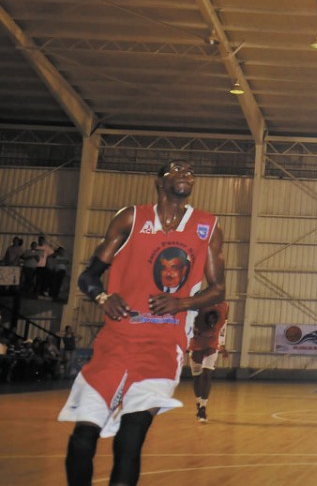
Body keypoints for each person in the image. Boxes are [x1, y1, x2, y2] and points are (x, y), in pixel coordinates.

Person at [58, 160, 226, 486]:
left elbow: (219, 289)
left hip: (163, 344)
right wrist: (104, 298)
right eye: (176, 169)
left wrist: (182, 303)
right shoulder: (131, 218)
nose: (185, 174)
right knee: (82, 440)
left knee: (131, 439)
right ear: (159, 181)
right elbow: (88, 275)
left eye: (190, 171)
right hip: (116, 340)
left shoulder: (208, 226)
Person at [188, 300, 228, 423]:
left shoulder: (223, 306)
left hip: (212, 346)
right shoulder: (196, 314)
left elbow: (224, 325)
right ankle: (198, 402)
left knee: (207, 374)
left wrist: (222, 345)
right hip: (196, 346)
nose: (211, 323)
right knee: (197, 377)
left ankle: (203, 407)